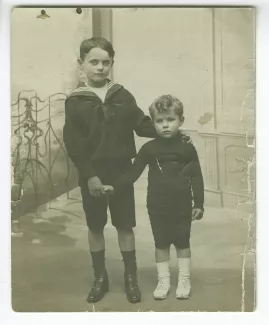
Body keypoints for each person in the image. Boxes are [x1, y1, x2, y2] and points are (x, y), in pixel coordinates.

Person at [104, 95, 204, 300]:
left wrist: (199, 203)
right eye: (159, 121)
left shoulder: (187, 147)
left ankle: (184, 279)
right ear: (153, 123)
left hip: (183, 204)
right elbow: (133, 172)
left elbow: (196, 175)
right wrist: (114, 187)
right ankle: (164, 280)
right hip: (157, 205)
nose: (165, 125)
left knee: (183, 242)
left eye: (170, 119)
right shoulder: (149, 148)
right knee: (161, 242)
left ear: (181, 121)